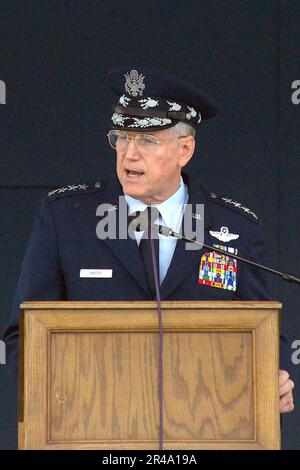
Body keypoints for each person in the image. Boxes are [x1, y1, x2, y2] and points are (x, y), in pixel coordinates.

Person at [3, 65, 294, 414]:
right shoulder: (66, 218)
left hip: (202, 423)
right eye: (121, 138)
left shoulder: (234, 226)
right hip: (91, 423)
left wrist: (277, 376)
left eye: (147, 140)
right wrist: (59, 404)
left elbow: (263, 331)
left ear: (184, 150)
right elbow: (25, 336)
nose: (129, 154)